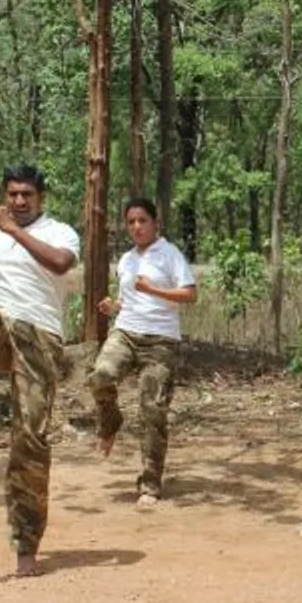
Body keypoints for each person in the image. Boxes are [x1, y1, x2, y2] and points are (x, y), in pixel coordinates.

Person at [0, 164, 80, 577]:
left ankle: (26, 543)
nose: (19, 202)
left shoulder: (59, 231)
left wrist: (14, 231)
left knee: (31, 439)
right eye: (12, 195)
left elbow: (61, 264)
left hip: (41, 338)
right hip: (1, 329)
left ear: (41, 197)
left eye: (27, 195)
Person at [88, 198, 197, 506]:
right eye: (131, 221)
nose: (136, 226)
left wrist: (154, 290)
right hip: (126, 331)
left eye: (142, 220)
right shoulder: (126, 259)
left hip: (161, 339)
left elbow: (190, 294)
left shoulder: (170, 253)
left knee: (152, 410)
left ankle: (150, 483)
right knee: (101, 376)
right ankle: (109, 421)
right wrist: (113, 307)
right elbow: (127, 299)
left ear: (155, 223)